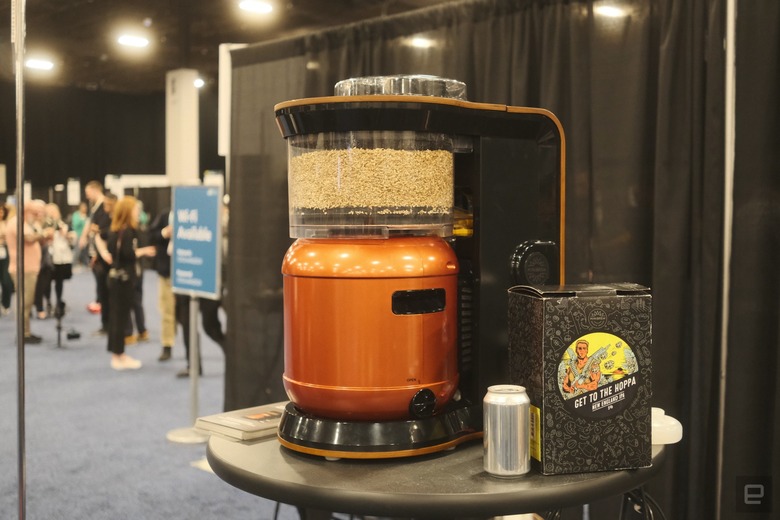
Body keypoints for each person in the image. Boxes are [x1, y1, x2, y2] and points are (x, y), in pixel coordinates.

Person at [95, 196, 155, 370]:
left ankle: (117, 354)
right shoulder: (126, 231)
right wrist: (143, 252)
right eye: (136, 210)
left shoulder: (116, 230)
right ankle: (118, 356)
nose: (138, 213)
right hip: (123, 281)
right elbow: (127, 255)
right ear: (128, 211)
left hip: (117, 280)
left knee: (117, 319)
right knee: (120, 319)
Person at [6, 200, 50, 343]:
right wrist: (44, 233)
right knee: (25, 303)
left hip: (28, 268)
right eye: (34, 212)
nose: (37, 215)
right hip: (23, 269)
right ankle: (23, 334)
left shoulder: (24, 223)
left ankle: (26, 332)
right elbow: (29, 238)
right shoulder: (17, 223)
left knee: (27, 303)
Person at [148, 209, 175, 362]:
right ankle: (167, 345)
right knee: (166, 310)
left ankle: (192, 357)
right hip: (166, 273)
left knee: (186, 316)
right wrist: (164, 233)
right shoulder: (164, 216)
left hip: (189, 274)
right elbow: (151, 236)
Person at [45, 203, 74, 314]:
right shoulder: (44, 224)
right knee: (46, 282)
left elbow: (73, 238)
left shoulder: (64, 224)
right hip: (48, 257)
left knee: (59, 281)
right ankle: (48, 302)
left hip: (61, 258)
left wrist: (66, 235)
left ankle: (58, 301)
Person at [0, 203, 14, 316]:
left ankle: (6, 304)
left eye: (2, 211)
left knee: (6, 281)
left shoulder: (8, 223)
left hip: (5, 254)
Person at [69, 201, 89, 267]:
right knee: (77, 250)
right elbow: (75, 225)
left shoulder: (86, 216)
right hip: (77, 235)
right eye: (83, 207)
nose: (85, 208)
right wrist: (81, 219)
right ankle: (73, 264)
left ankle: (86, 264)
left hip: (85, 236)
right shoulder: (76, 214)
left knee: (85, 251)